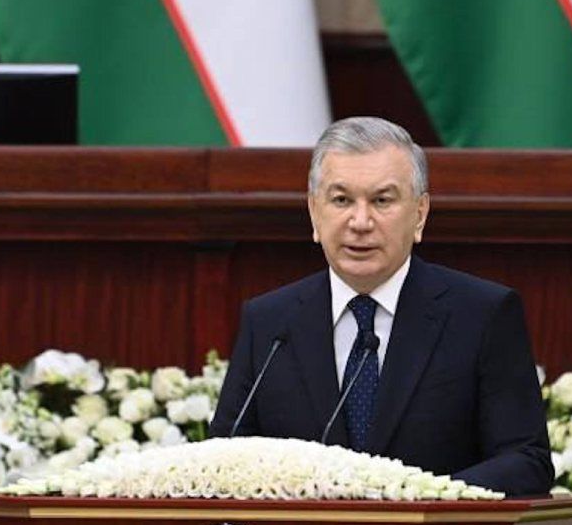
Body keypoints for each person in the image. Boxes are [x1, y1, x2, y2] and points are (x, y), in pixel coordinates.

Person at [210, 117, 554, 496]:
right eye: (341, 200)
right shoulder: (270, 323)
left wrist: (422, 497)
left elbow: (527, 461)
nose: (360, 222)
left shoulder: (482, 315)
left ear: (419, 214)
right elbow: (222, 461)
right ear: (314, 212)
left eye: (382, 201)